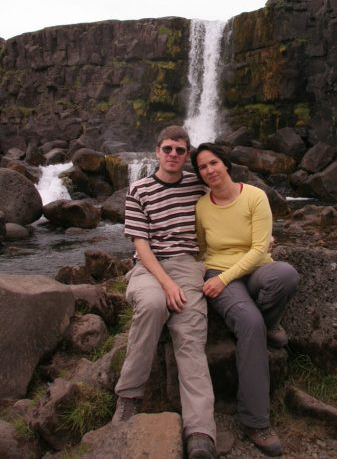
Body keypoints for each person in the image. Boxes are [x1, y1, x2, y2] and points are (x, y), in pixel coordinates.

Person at [113, 126, 217, 459]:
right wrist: (166, 282)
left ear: (188, 156)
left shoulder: (198, 185)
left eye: (181, 150)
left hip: (188, 266)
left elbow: (230, 197)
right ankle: (128, 398)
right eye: (168, 149)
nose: (174, 155)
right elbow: (140, 245)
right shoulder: (139, 189)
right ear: (157, 151)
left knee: (190, 333)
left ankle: (201, 431)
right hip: (148, 266)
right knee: (154, 305)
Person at [191, 143, 299, 458]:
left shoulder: (254, 196)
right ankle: (256, 421)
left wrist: (223, 278)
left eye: (213, 163)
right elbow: (199, 247)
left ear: (225, 165)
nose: (209, 170)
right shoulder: (201, 206)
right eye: (202, 167)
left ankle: (269, 324)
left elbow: (258, 248)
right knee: (249, 323)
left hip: (253, 269)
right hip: (219, 273)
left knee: (286, 274)